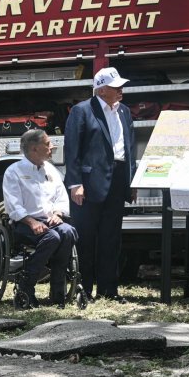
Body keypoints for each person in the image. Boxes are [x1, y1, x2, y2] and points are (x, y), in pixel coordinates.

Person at [63, 66, 135, 302]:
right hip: (89, 182)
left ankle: (109, 290)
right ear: (102, 89)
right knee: (85, 237)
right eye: (116, 87)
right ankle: (84, 289)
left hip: (117, 178)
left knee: (111, 238)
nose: (121, 90)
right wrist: (75, 183)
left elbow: (129, 147)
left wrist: (130, 181)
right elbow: (72, 149)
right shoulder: (82, 111)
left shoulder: (124, 111)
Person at [2, 128, 78, 308]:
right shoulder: (14, 171)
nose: (52, 147)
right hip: (24, 223)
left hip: (51, 221)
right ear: (34, 148)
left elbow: (61, 197)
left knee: (68, 232)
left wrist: (58, 214)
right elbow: (13, 205)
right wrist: (32, 222)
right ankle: (26, 285)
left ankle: (57, 289)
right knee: (53, 237)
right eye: (48, 144)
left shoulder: (51, 170)